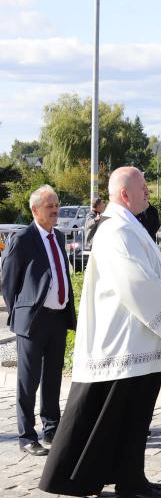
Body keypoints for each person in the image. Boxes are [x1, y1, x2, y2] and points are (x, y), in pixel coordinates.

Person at [39, 167, 161, 498]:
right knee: (124, 416)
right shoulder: (115, 229)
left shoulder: (127, 225)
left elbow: (146, 274)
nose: (148, 192)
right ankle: (128, 482)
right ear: (124, 194)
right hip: (124, 342)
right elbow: (133, 281)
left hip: (137, 339)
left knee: (134, 417)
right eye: (143, 188)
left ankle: (132, 477)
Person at [1, 185, 77, 456]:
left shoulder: (58, 236)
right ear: (35, 210)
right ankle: (26, 436)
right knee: (28, 381)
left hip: (57, 319)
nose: (55, 210)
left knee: (53, 378)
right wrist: (21, 312)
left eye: (57, 205)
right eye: (50, 206)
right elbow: (8, 282)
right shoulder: (23, 239)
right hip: (33, 321)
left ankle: (52, 428)